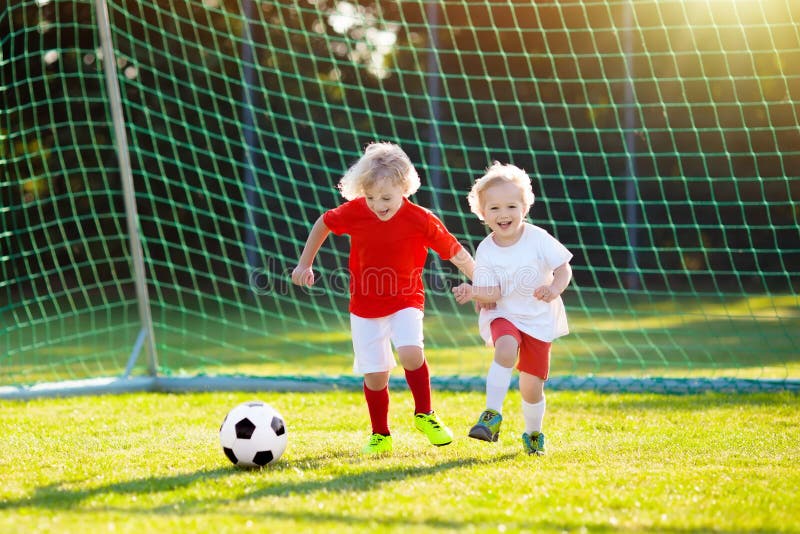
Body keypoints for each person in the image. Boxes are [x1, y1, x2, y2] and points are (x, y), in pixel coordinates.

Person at [291, 142, 475, 455]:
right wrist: (304, 263)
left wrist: (482, 282)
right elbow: (324, 222)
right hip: (364, 308)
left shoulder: (421, 219)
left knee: (410, 352)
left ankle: (424, 414)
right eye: (371, 197)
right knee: (376, 376)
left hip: (406, 300)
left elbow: (455, 251)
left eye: (386, 197)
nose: (378, 204)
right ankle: (380, 434)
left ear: (405, 188)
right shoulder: (357, 211)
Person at [452, 162, 573, 456]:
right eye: (493, 208)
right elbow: (493, 293)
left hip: (538, 319)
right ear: (482, 214)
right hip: (503, 314)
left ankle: (533, 434)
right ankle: (491, 416)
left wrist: (554, 289)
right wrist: (473, 292)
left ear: (524, 207)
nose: (503, 214)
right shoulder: (486, 249)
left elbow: (563, 268)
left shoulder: (538, 238)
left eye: (510, 206)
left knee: (531, 388)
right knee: (505, 348)